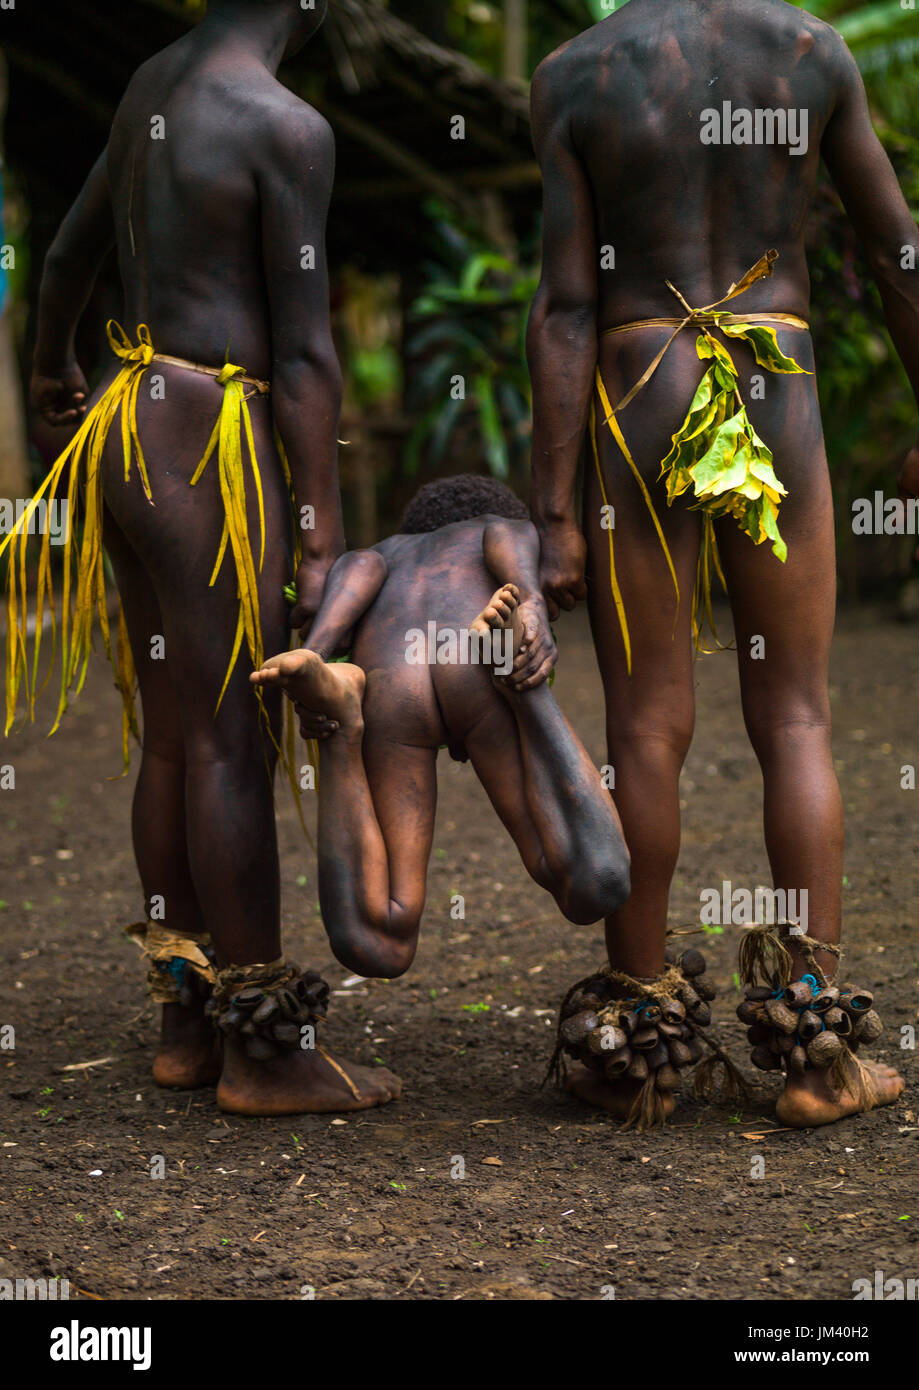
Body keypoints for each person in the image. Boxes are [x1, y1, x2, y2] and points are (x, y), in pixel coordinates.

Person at [4, 0, 399, 1115]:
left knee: (176, 735)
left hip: (124, 424)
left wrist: (50, 369)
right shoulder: (287, 125)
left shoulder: (149, 88)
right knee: (229, 736)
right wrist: (319, 533)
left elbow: (72, 245)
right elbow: (310, 351)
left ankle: (188, 1020)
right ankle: (267, 1054)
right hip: (205, 439)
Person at [526, 0, 913, 1126]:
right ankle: (816, 1053)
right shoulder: (805, 50)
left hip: (636, 375)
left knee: (644, 724)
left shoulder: (574, 74)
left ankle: (638, 1043)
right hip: (770, 370)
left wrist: (554, 512)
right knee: (794, 716)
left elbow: (562, 304)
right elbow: (895, 244)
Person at [250, 475, 630, 1000]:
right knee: (595, 885)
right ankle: (523, 690)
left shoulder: (384, 554)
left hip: (388, 669)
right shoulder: (495, 529)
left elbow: (356, 566)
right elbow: (509, 533)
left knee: (378, 941)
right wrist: (532, 599)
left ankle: (335, 702)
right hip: (474, 651)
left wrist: (321, 642)